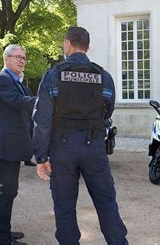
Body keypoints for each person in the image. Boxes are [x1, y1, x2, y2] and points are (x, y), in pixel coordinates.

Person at [33, 27, 128, 244]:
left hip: (62, 148)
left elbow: (42, 120)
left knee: (64, 206)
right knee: (106, 202)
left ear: (67, 43)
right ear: (88, 47)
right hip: (94, 146)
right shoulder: (103, 76)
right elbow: (108, 110)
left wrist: (41, 157)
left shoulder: (54, 75)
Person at [0, 44, 35, 244]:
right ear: (6, 58)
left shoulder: (15, 80)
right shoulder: (2, 80)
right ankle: (0, 237)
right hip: (6, 144)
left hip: (13, 143)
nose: (22, 60)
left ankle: (4, 231)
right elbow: (18, 102)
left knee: (10, 190)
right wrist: (47, 101)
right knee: (6, 190)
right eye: (17, 57)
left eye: (24, 57)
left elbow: (24, 101)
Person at [19, 71, 37, 167]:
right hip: (17, 118)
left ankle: (27, 158)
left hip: (27, 118)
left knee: (28, 139)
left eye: (21, 76)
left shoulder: (26, 89)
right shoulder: (12, 88)